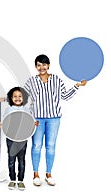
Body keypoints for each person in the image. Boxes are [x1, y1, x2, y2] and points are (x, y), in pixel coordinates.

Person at [24, 54, 87, 186]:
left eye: (44, 64)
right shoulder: (31, 81)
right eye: (39, 65)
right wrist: (6, 99)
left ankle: (48, 174)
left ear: (48, 65)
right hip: (36, 119)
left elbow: (64, 96)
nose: (42, 67)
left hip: (54, 118)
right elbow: (23, 98)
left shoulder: (57, 80)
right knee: (36, 146)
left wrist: (77, 86)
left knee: (50, 146)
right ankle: (36, 174)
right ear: (36, 66)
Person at [0, 87, 38, 191]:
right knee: (11, 160)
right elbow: (5, 123)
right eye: (15, 96)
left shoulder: (27, 110)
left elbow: (29, 123)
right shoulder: (8, 110)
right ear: (11, 98)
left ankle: (20, 181)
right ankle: (12, 180)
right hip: (11, 139)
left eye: (20, 96)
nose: (17, 98)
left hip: (22, 139)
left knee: (22, 160)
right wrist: (1, 124)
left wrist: (34, 124)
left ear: (23, 98)